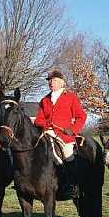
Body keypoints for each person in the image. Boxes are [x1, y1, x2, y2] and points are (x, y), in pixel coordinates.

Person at [34, 69, 87, 200]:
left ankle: (73, 185)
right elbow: (38, 119)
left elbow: (81, 116)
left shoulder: (70, 97)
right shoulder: (44, 100)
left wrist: (73, 129)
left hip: (64, 135)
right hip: (46, 133)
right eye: (50, 81)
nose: (51, 83)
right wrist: (45, 125)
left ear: (62, 83)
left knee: (68, 154)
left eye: (54, 80)